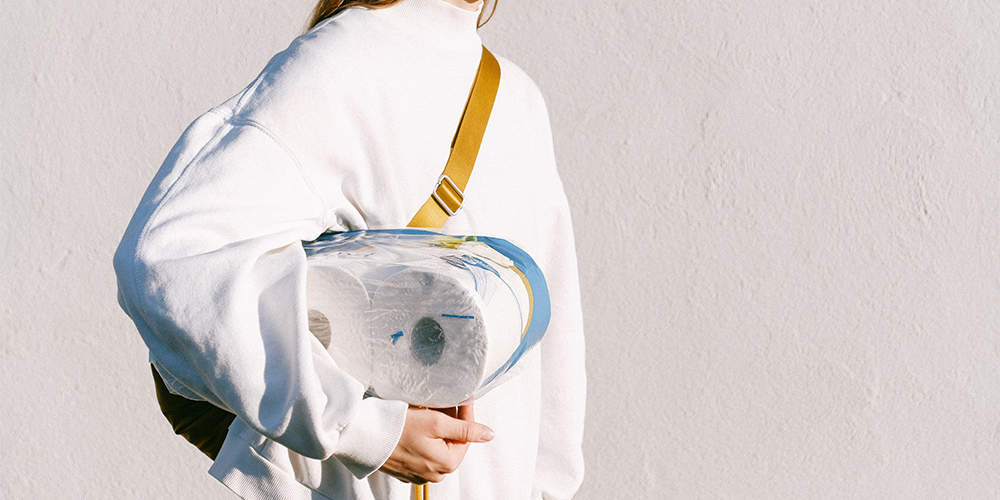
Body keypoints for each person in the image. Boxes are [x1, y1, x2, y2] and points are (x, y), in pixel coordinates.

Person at [113, 0, 586, 498]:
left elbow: (550, 335)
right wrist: (363, 427)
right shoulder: (345, 61)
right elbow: (172, 260)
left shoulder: (515, 95)